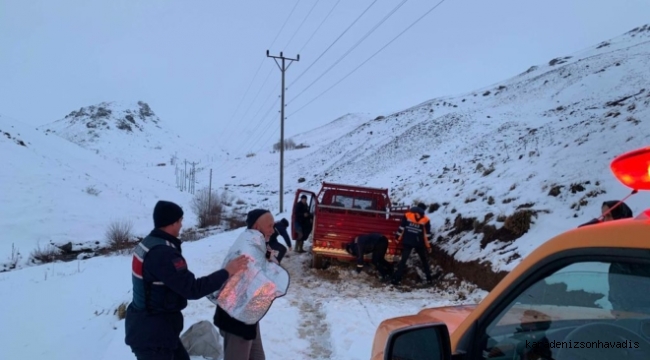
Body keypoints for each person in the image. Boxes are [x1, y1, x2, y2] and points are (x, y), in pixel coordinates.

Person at [124, 200, 250, 360]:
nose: (182, 225)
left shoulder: (148, 243)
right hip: (153, 336)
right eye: (180, 221)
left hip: (154, 327)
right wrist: (227, 272)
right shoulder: (164, 254)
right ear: (172, 222)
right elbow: (193, 289)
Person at [211, 209, 290, 360]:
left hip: (247, 313)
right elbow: (263, 278)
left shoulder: (256, 243)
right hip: (236, 317)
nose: (272, 231)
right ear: (256, 226)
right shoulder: (248, 247)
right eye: (269, 226)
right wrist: (271, 262)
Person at [578, 200, 650, 312]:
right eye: (603, 216)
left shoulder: (634, 240)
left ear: (621, 217)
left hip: (640, 314)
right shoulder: (616, 240)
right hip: (621, 310)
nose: (604, 221)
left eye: (609, 216)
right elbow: (584, 243)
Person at [391, 203, 434, 286]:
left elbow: (401, 228)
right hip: (419, 243)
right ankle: (429, 279)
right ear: (424, 210)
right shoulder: (426, 220)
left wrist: (397, 239)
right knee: (424, 260)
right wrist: (428, 246)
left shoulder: (407, 215)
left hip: (407, 241)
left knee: (403, 260)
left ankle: (396, 280)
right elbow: (426, 235)